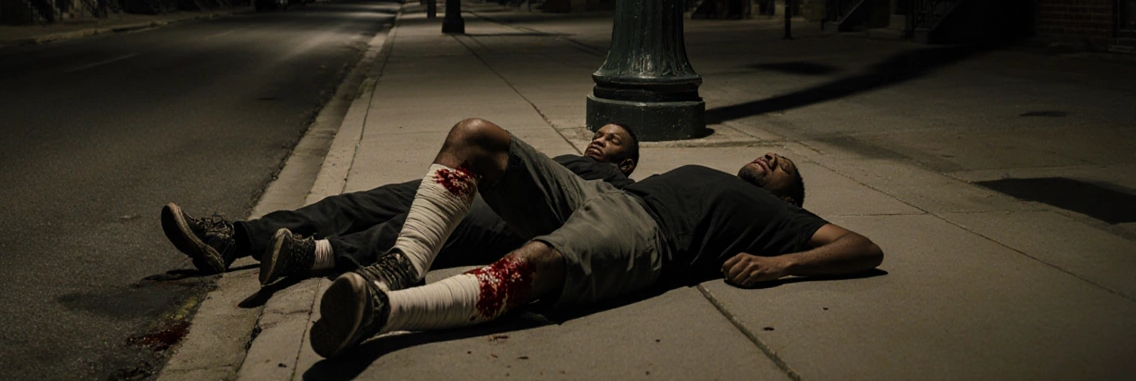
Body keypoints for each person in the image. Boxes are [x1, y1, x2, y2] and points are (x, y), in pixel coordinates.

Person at [309, 118, 883, 358]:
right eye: (772, 153)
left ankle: (384, 312)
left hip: (647, 235)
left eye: (782, 165)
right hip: (599, 194)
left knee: (536, 259)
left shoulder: (780, 217)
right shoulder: (719, 178)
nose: (771, 157)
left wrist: (781, 265)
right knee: (474, 136)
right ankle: (404, 264)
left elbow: (863, 248)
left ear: (788, 199)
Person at [160, 123, 641, 286]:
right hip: (484, 185)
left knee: (407, 228)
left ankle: (311, 256)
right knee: (362, 203)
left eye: (613, 139)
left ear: (627, 162)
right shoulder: (563, 163)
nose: (600, 140)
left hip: (512, 218)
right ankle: (236, 238)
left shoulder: (614, 186)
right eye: (599, 134)